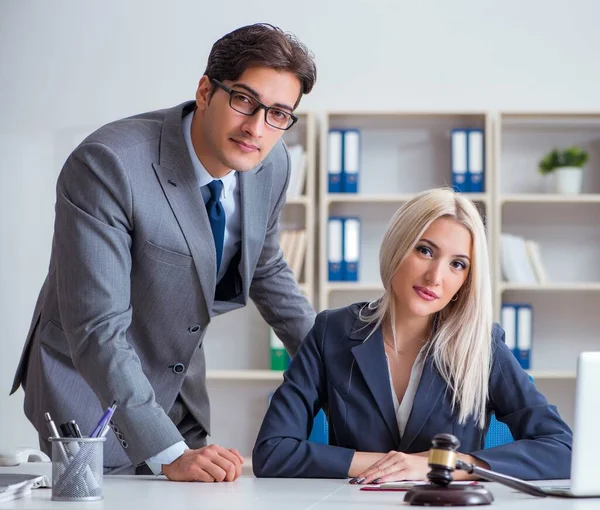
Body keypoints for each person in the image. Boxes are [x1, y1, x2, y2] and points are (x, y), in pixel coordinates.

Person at [10, 23, 317, 482]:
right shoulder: (107, 164)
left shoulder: (270, 162)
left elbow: (265, 267)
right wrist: (166, 449)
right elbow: (97, 326)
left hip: (178, 378)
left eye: (278, 113)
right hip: (89, 389)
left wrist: (333, 368)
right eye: (244, 101)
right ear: (206, 91)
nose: (257, 127)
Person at [252, 188, 572, 482]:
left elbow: (562, 449)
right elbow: (272, 452)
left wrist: (447, 463)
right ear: (397, 246)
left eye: (458, 264)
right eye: (425, 250)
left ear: (467, 280)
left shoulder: (481, 345)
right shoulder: (330, 333)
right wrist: (391, 465)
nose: (436, 277)